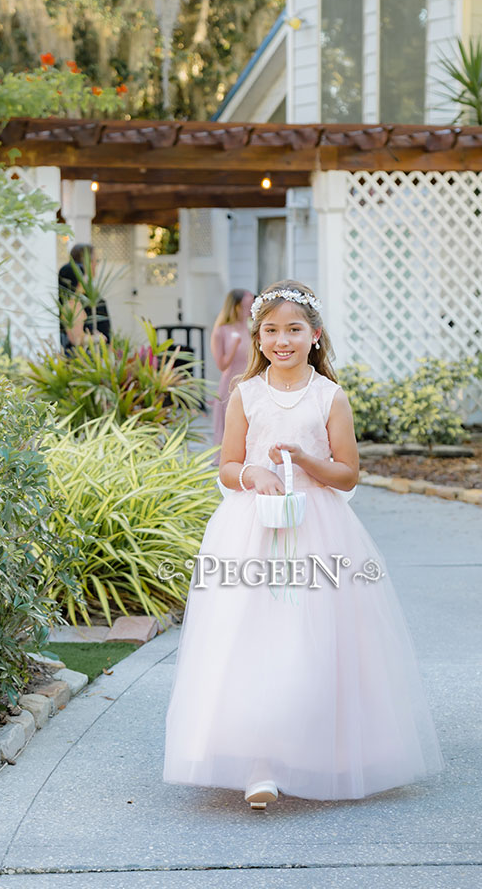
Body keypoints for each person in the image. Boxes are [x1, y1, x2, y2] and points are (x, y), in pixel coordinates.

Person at [162, 279, 445, 809]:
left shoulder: (329, 396)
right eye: (271, 330)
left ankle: (322, 751)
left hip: (318, 531)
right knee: (252, 640)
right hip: (252, 531)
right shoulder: (245, 394)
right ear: (258, 337)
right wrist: (254, 474)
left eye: (294, 330)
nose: (282, 340)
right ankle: (258, 763)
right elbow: (225, 465)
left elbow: (347, 473)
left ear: (315, 336)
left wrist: (304, 462)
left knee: (316, 642)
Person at [209, 288, 254, 446]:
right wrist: (233, 347)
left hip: (251, 383)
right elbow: (221, 365)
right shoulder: (221, 331)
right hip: (231, 385)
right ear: (235, 306)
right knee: (231, 426)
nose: (250, 310)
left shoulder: (251, 329)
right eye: (247, 305)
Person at [58, 242, 111, 354]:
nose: (96, 265)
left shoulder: (81, 298)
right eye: (95, 261)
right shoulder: (74, 302)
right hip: (82, 356)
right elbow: (75, 338)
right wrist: (97, 338)